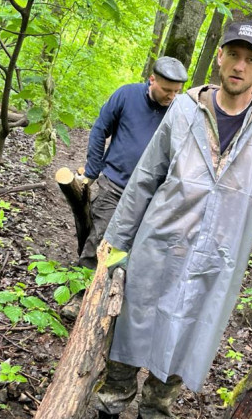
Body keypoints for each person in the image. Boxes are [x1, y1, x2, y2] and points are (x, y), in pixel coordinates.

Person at [71, 20, 252, 419]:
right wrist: (119, 242)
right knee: (128, 340)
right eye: (234, 54)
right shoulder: (185, 111)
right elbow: (145, 177)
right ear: (221, 58)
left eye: (251, 58)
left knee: (177, 349)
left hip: (214, 265)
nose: (240, 64)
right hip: (157, 249)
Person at [62, 56, 188, 319]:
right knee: (99, 241)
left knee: (136, 250)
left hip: (150, 196)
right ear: (152, 80)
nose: (171, 97)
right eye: (167, 90)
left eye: (177, 91)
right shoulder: (127, 95)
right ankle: (78, 297)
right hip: (115, 185)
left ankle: (117, 304)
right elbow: (99, 129)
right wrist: (93, 170)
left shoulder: (179, 112)